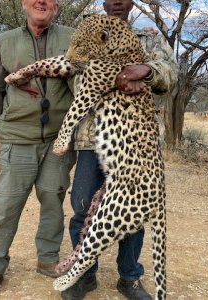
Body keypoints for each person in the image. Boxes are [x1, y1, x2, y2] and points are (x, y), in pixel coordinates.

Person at [61, 1, 179, 300]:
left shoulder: (149, 38)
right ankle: (85, 275)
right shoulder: (87, 30)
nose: (116, 2)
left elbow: (169, 75)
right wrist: (113, 77)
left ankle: (129, 277)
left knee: (135, 210)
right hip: (94, 137)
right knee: (83, 204)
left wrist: (146, 72)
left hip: (136, 142)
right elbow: (75, 77)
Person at [0, 0, 76, 297]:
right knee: (5, 205)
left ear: (56, 5)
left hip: (59, 139)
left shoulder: (72, 37)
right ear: (23, 4)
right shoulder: (6, 40)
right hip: (17, 137)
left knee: (53, 201)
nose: (41, 2)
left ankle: (48, 260)